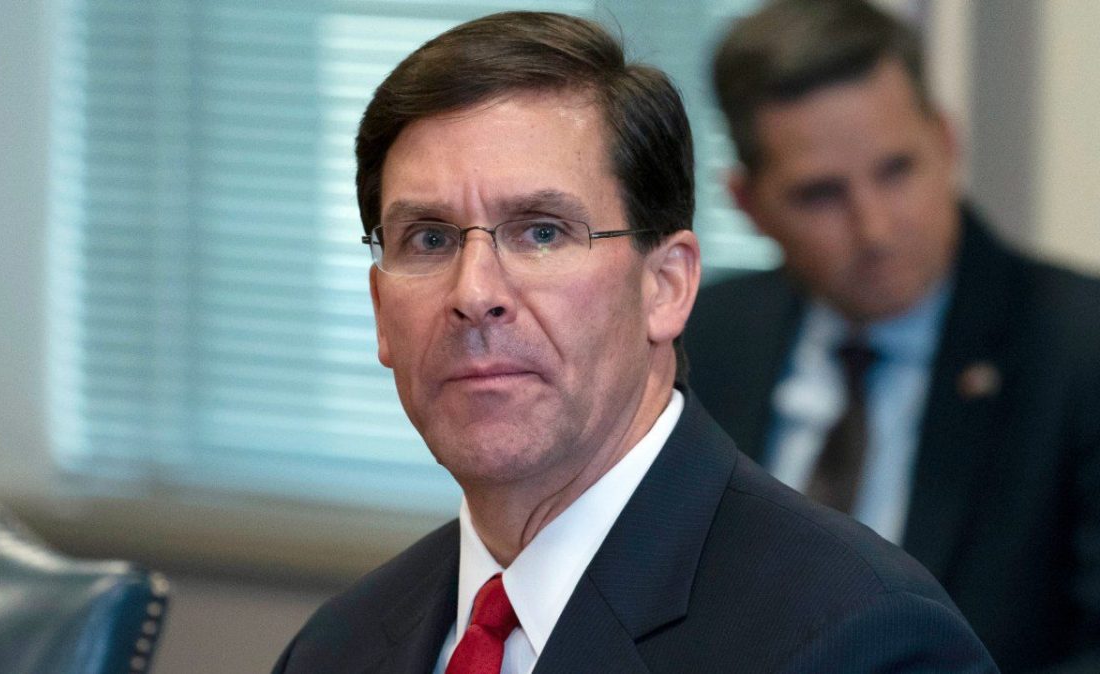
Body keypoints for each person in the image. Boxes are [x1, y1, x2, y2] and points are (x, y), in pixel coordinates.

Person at [274, 11, 995, 673]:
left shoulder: (861, 640)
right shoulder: (334, 650)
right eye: (429, 239)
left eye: (542, 232)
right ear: (381, 310)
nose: (474, 293)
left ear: (666, 287)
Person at [684, 0, 1100, 671]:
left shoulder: (1076, 347)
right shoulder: (700, 343)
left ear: (947, 142)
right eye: (821, 194)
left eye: (897, 170)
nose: (874, 229)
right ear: (749, 205)